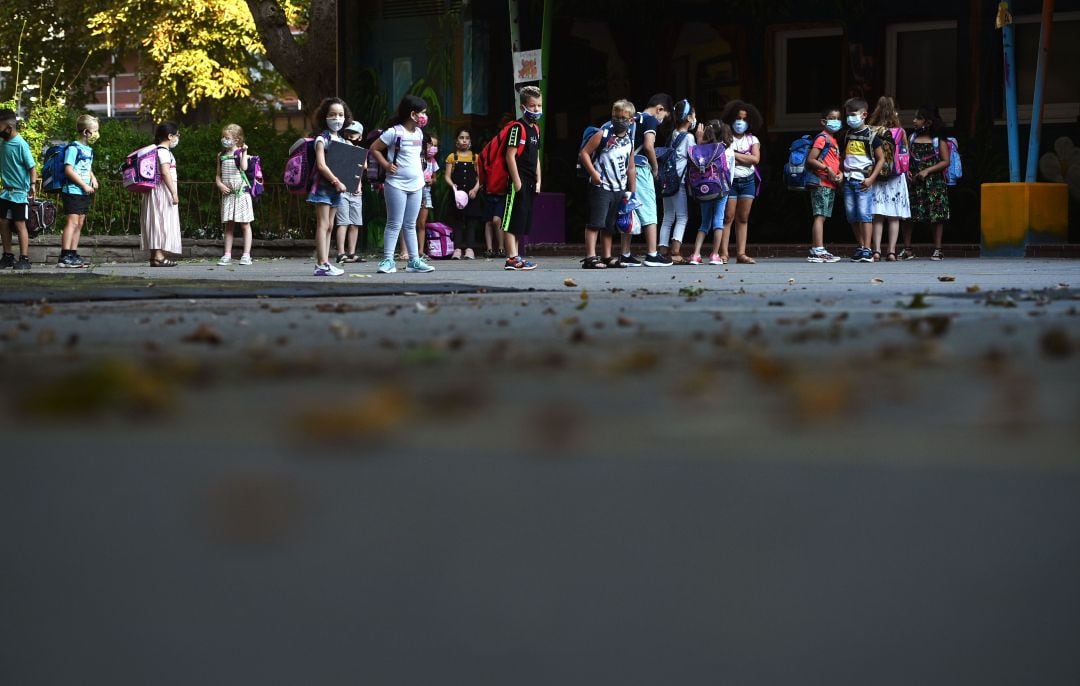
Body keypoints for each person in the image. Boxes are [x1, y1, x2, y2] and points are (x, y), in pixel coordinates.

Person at [369, 94, 435, 274]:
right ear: (413, 114)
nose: (424, 116)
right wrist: (386, 165)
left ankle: (414, 261)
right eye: (422, 113)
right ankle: (388, 260)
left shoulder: (420, 133)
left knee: (410, 224)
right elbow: (374, 148)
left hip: (417, 185)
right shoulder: (394, 132)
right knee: (394, 223)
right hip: (396, 184)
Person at [579, 99, 637, 269]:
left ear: (631, 121)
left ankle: (606, 256)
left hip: (619, 188)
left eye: (624, 118)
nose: (619, 120)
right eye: (616, 117)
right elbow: (584, 153)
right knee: (596, 222)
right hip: (601, 186)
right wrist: (593, 174)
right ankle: (590, 257)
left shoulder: (629, 141)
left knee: (610, 225)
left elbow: (631, 167)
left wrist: (632, 191)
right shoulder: (603, 134)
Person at [620, 93, 672, 267]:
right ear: (660, 109)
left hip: (624, 168)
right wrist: (656, 168)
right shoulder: (650, 120)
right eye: (664, 117)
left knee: (628, 209)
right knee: (650, 209)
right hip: (640, 168)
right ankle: (652, 254)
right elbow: (649, 146)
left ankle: (625, 254)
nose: (661, 121)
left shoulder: (631, 117)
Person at [500, 85, 543, 271]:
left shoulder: (536, 129)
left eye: (539, 106)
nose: (536, 109)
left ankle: (516, 256)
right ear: (523, 107)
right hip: (518, 181)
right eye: (533, 106)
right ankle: (511, 258)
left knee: (520, 221)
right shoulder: (518, 128)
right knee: (511, 220)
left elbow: (537, 157)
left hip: (531, 181)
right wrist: (517, 182)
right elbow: (510, 156)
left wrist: (539, 180)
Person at [902, 104, 951, 261]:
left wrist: (927, 171)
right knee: (908, 215)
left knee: (937, 216)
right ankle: (907, 249)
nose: (914, 120)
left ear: (928, 122)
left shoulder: (938, 140)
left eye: (918, 118)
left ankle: (938, 249)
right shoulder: (912, 138)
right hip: (914, 182)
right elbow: (907, 158)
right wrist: (908, 172)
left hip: (934, 184)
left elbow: (945, 161)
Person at [308, 97, 351, 276]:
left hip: (335, 189)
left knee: (330, 226)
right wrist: (336, 181)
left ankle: (325, 262)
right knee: (323, 224)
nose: (337, 118)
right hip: (323, 187)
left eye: (340, 114)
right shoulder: (321, 139)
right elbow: (321, 165)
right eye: (332, 114)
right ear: (324, 117)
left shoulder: (341, 140)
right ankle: (321, 264)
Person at [841, 97, 885, 263]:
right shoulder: (848, 134)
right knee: (852, 216)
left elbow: (881, 159)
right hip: (848, 180)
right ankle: (861, 246)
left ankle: (867, 249)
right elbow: (845, 156)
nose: (849, 118)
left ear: (864, 114)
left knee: (865, 215)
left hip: (863, 181)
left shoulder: (871, 136)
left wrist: (871, 179)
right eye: (848, 115)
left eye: (853, 114)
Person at [868, 96, 911, 262]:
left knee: (877, 215)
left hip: (877, 175)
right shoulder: (900, 132)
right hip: (895, 177)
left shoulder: (871, 130)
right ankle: (891, 252)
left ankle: (876, 251)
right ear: (894, 112)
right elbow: (905, 153)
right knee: (894, 216)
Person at [720, 99, 763, 265]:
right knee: (727, 217)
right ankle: (723, 253)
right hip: (729, 181)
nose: (741, 122)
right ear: (731, 118)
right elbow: (722, 157)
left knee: (743, 218)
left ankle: (741, 254)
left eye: (745, 119)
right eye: (738, 118)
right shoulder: (725, 138)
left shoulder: (753, 139)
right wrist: (745, 158)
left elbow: (755, 159)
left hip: (748, 181)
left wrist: (733, 155)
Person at [687, 120, 736, 266]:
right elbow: (730, 173)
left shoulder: (700, 148)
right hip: (721, 188)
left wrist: (699, 140)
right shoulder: (726, 150)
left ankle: (696, 255)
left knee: (704, 222)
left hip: (703, 189)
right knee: (718, 220)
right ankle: (715, 255)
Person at [57, 114, 100, 268]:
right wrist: (83, 185)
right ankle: (64, 255)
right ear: (85, 132)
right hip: (73, 190)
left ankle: (73, 253)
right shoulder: (73, 148)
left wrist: (93, 177)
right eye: (94, 131)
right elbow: (69, 170)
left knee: (80, 223)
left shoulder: (88, 149)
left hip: (84, 191)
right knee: (72, 222)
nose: (96, 134)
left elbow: (86, 167)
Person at [803, 107, 843, 263]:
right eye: (832, 118)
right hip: (821, 183)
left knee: (823, 216)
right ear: (823, 121)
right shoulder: (822, 138)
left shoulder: (833, 140)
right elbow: (811, 159)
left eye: (838, 118)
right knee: (819, 216)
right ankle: (818, 250)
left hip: (829, 184)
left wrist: (838, 173)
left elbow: (833, 161)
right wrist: (828, 170)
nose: (836, 121)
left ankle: (817, 249)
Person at [0, 108, 37, 271]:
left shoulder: (21, 144)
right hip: (6, 191)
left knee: (20, 224)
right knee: (2, 222)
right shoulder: (3, 143)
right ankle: (8, 256)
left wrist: (33, 185)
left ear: (9, 127)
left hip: (19, 193)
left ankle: (24, 258)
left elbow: (32, 167)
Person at [658, 99, 695, 264]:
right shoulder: (689, 137)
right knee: (682, 216)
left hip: (666, 180)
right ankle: (675, 251)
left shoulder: (672, 134)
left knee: (667, 216)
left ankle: (662, 250)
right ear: (688, 118)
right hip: (678, 182)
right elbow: (695, 158)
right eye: (693, 115)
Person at [141, 121, 182, 267]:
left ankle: (154, 256)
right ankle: (159, 256)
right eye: (177, 135)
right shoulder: (164, 152)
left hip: (154, 191)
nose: (177, 138)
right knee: (161, 222)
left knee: (155, 221)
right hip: (162, 192)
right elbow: (165, 172)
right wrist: (174, 193)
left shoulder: (155, 151)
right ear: (170, 136)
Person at [215, 123, 254, 266]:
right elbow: (218, 175)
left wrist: (244, 152)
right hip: (228, 195)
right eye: (223, 137)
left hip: (241, 194)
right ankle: (227, 254)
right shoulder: (221, 155)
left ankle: (246, 255)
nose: (224, 140)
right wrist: (219, 184)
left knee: (245, 224)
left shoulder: (240, 153)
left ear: (236, 139)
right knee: (229, 226)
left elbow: (244, 167)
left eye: (227, 137)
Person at [444, 127, 482, 259]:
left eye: (467, 138)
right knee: (458, 222)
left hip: (472, 195)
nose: (464, 140)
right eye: (461, 137)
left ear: (470, 141)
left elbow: (480, 177)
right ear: (456, 141)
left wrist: (475, 189)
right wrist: (452, 186)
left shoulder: (475, 157)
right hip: (457, 196)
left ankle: (470, 249)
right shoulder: (452, 157)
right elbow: (447, 176)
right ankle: (457, 249)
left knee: (471, 222)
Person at [335, 120, 366, 264]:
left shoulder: (360, 151)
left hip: (356, 191)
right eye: (348, 132)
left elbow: (362, 168)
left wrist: (359, 187)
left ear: (360, 136)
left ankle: (352, 252)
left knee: (355, 222)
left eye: (354, 133)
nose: (350, 136)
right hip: (342, 190)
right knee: (343, 222)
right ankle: (341, 253)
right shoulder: (340, 147)